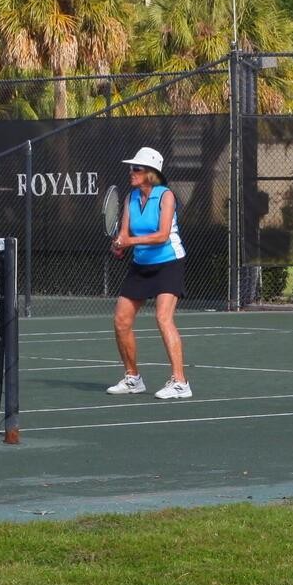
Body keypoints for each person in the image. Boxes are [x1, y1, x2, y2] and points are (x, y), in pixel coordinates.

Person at [106, 146, 193, 400]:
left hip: (169, 262)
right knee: (121, 320)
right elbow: (124, 234)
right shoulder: (130, 198)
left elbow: (162, 235)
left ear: (150, 173)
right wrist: (119, 246)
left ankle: (180, 382)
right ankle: (133, 378)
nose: (131, 172)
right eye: (131, 168)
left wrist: (129, 242)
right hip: (141, 265)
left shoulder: (166, 196)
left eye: (137, 168)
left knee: (163, 318)